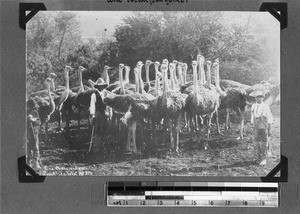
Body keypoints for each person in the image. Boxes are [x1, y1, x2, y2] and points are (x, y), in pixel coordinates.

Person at [250, 90, 274, 165]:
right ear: (255, 98)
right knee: (256, 141)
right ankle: (258, 157)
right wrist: (252, 123)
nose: (259, 99)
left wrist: (269, 126)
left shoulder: (265, 106)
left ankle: (264, 159)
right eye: (257, 97)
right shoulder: (253, 106)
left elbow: (269, 116)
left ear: (263, 98)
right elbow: (252, 115)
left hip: (263, 124)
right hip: (256, 124)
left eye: (260, 97)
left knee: (264, 141)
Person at [26, 98, 41, 168]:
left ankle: (35, 162)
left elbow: (38, 121)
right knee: (29, 147)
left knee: (35, 147)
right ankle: (29, 162)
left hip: (34, 132)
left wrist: (32, 119)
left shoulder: (35, 112)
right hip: (28, 133)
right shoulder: (26, 112)